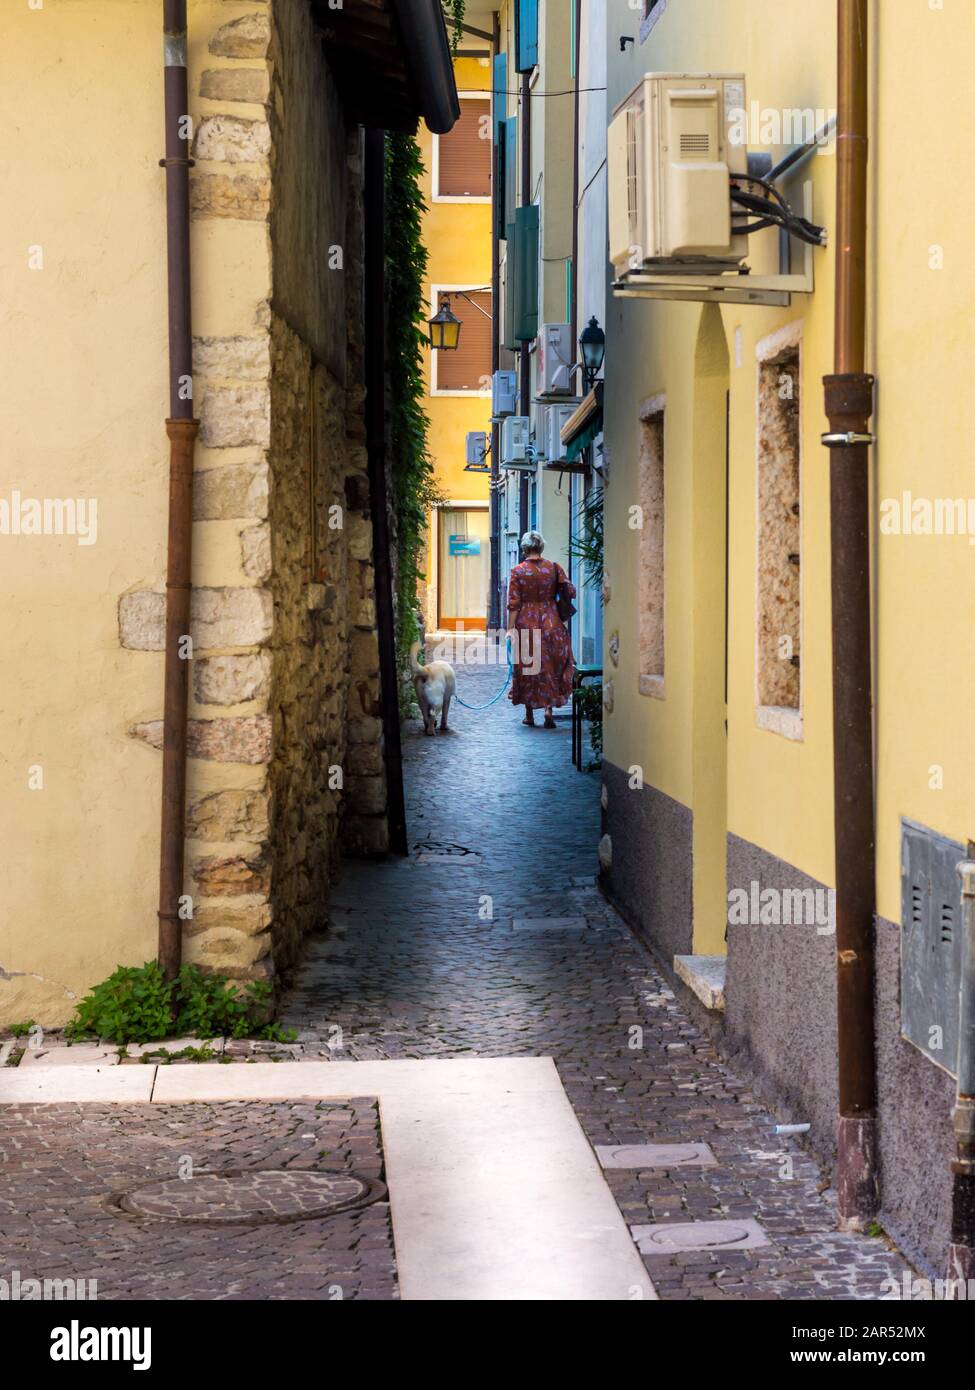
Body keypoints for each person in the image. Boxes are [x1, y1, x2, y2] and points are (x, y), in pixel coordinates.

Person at [506, 529, 576, 728]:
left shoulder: (518, 571)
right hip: (551, 623)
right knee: (552, 667)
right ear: (541, 546)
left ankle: (529, 714)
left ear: (524, 548)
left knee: (529, 668)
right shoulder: (553, 568)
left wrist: (510, 629)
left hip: (526, 623)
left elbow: (514, 604)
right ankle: (548, 710)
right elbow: (570, 591)